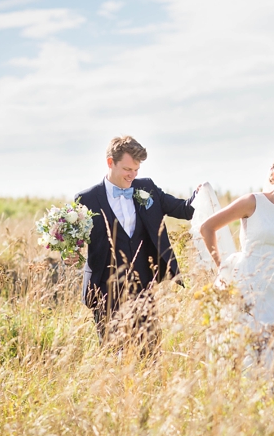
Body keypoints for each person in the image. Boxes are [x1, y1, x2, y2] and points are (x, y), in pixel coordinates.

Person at [73, 136, 198, 340]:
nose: (132, 175)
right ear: (110, 162)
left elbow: (183, 209)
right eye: (127, 169)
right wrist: (69, 255)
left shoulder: (146, 188)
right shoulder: (86, 199)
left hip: (143, 287)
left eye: (136, 170)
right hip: (104, 290)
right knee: (112, 354)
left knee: (150, 351)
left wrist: (201, 193)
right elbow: (74, 242)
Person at [197, 150, 274, 372]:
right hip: (248, 286)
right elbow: (207, 228)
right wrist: (222, 267)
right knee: (247, 354)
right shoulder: (253, 202)